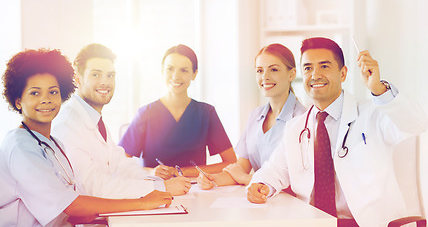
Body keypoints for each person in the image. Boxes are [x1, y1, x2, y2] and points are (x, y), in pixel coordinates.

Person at [246, 37, 428, 227]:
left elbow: (416, 125)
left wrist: (379, 89)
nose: (315, 75)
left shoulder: (373, 113)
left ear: (343, 74)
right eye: (308, 68)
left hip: (367, 223)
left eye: (324, 66)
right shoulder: (296, 127)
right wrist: (261, 184)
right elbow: (275, 170)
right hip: (315, 223)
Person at [0, 49, 173, 226]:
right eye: (35, 93)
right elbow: (71, 204)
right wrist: (143, 202)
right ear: (18, 100)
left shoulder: (53, 144)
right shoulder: (20, 147)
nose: (46, 100)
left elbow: (68, 197)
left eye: (53, 92)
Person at [52, 43, 191, 199]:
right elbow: (92, 186)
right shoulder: (67, 125)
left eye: (110, 75)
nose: (105, 82)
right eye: (96, 75)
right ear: (78, 79)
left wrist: (159, 180)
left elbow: (121, 165)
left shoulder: (95, 120)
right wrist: (160, 187)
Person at [118, 44, 237, 178]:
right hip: (155, 189)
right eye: (170, 69)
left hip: (196, 190)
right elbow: (120, 164)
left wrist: (182, 172)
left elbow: (231, 162)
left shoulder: (206, 113)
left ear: (194, 74)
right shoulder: (145, 113)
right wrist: (151, 172)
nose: (176, 76)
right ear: (162, 71)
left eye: (184, 70)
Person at [197, 43, 305, 189]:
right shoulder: (255, 116)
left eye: (273, 69)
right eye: (259, 71)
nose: (265, 77)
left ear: (291, 74)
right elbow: (241, 167)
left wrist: (245, 178)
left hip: (288, 203)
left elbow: (295, 180)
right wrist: (212, 179)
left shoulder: (302, 119)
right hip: (258, 199)